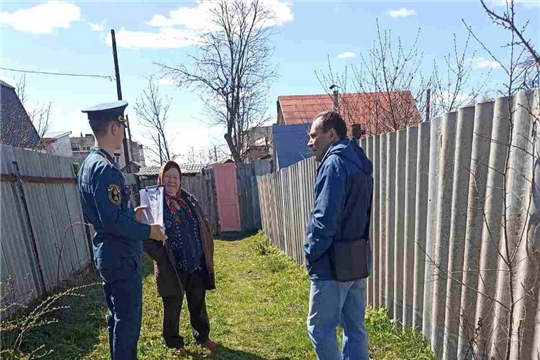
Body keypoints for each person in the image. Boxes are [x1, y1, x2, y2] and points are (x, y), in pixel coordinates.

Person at [77, 101, 167, 360]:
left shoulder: (89, 164)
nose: (124, 132)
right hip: (120, 255)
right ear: (114, 127)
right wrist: (148, 230)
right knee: (127, 325)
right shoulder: (105, 169)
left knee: (117, 319)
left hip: (108, 253)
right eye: (123, 126)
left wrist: (132, 215)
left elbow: (109, 215)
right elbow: (113, 222)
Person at [304, 111, 373, 360]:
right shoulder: (359, 161)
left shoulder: (334, 164)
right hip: (356, 258)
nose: (309, 142)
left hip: (332, 264)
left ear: (331, 134)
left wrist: (311, 252)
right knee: (355, 328)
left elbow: (324, 219)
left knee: (320, 330)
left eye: (314, 136)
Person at [143, 160, 216, 356]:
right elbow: (146, 238)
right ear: (160, 178)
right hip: (171, 266)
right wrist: (162, 258)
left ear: (180, 180)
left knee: (198, 302)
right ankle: (174, 343)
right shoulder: (154, 204)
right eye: (167, 176)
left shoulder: (189, 200)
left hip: (196, 262)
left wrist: (205, 249)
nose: (171, 181)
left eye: (175, 177)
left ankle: (203, 336)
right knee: (172, 305)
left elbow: (203, 222)